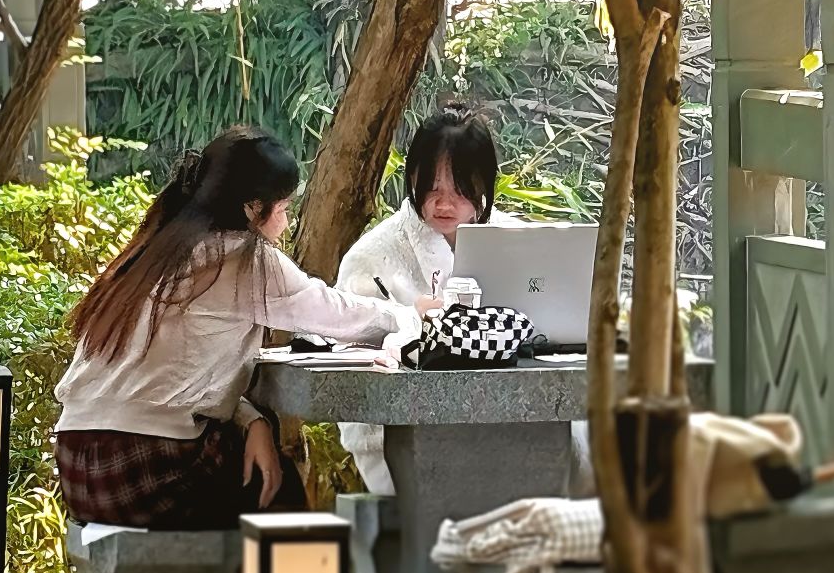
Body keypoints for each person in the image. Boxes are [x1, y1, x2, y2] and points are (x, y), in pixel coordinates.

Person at [55, 126, 430, 529]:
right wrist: (414, 316)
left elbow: (165, 380)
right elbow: (338, 315)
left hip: (77, 465)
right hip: (146, 465)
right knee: (278, 492)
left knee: (259, 465)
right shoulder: (243, 258)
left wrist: (251, 420)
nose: (285, 222)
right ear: (252, 208)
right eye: (283, 208)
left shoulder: (156, 249)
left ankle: (253, 569)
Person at [333, 106, 516, 493]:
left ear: (484, 182)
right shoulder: (371, 257)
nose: (443, 205)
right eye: (431, 189)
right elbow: (345, 355)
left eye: (460, 190)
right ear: (412, 178)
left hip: (505, 421)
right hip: (404, 434)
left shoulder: (517, 241)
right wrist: (408, 323)